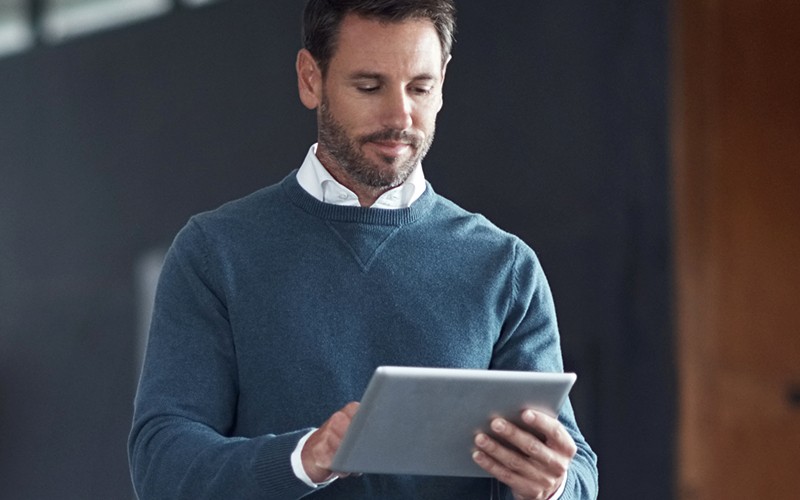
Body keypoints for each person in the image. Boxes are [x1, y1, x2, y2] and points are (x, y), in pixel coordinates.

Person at [127, 0, 599, 498]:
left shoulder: (505, 268)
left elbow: (575, 466)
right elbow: (162, 463)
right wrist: (305, 458)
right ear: (311, 79)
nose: (400, 116)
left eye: (421, 87)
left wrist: (554, 486)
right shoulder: (214, 253)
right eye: (369, 87)